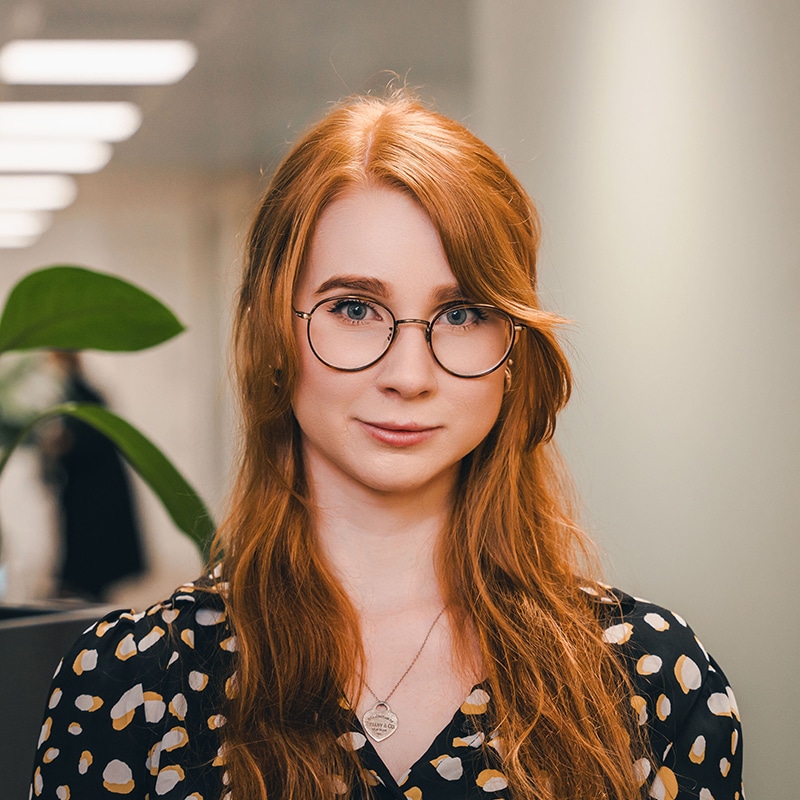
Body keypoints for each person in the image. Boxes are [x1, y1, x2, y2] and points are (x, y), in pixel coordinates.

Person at [29, 91, 743, 800]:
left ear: (513, 348)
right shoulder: (130, 685)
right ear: (274, 332)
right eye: (354, 309)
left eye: (462, 313)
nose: (409, 375)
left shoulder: (650, 684)